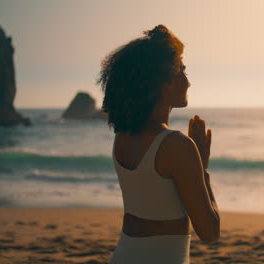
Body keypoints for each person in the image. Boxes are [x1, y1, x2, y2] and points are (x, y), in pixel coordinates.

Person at [98, 24, 220, 263]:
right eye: (182, 71)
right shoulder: (176, 146)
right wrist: (202, 167)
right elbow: (210, 233)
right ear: (164, 80)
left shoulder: (122, 136)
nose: (188, 81)